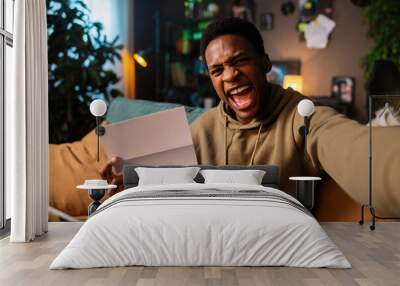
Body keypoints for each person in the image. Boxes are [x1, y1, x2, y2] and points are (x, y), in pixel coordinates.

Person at [102, 17, 400, 216]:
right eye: (217, 70)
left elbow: (356, 148)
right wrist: (126, 175)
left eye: (240, 61)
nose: (230, 75)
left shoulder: (303, 116)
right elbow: (150, 178)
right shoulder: (201, 127)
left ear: (265, 63)